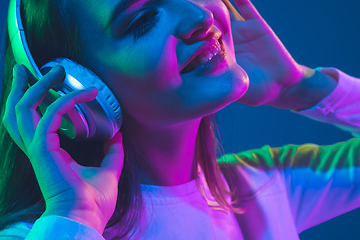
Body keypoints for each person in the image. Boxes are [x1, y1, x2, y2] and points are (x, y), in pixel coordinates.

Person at [0, 0, 359, 239]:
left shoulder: (258, 187)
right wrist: (75, 214)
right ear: (75, 87)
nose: (200, 17)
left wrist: (300, 87)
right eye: (142, 20)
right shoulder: (49, 229)